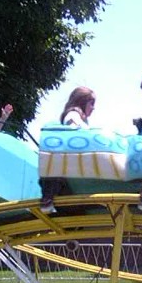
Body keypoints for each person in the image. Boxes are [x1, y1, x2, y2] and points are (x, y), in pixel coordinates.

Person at [39, 86, 97, 214]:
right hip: (72, 162)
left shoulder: (82, 120)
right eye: (91, 104)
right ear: (82, 102)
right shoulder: (73, 115)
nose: (93, 108)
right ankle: (49, 198)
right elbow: (73, 131)